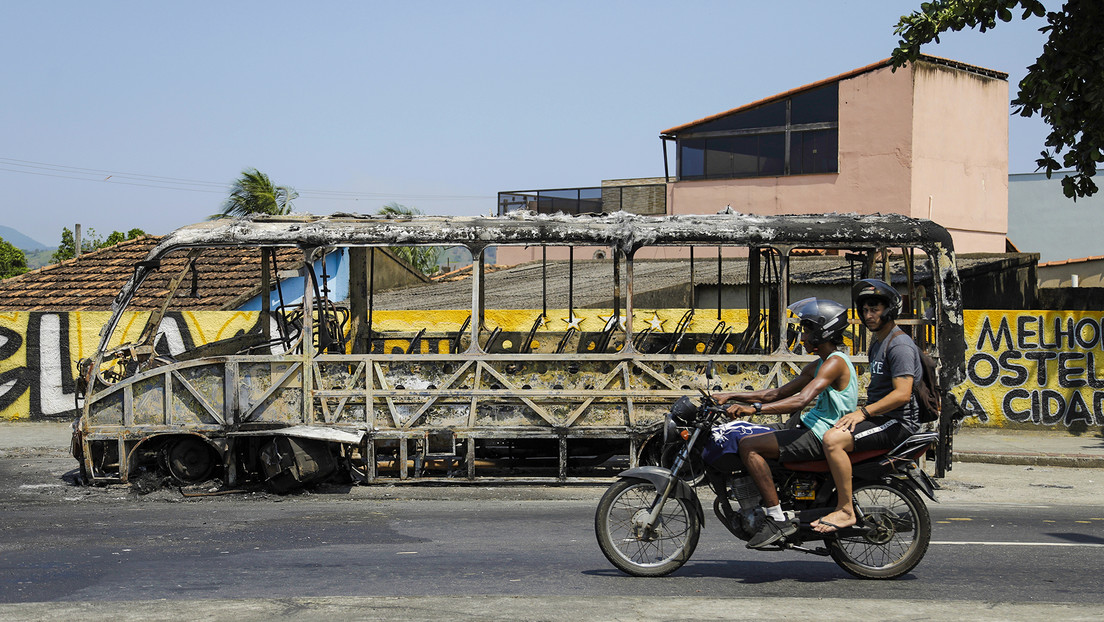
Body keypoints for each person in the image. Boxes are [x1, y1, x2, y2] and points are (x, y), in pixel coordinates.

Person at [711, 297, 857, 549]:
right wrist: (731, 395)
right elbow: (776, 394)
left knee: (749, 446)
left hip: (821, 433)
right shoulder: (820, 363)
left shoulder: (835, 363)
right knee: (749, 436)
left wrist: (751, 409)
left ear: (824, 331)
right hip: (806, 427)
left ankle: (776, 517)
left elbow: (800, 400)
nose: (803, 336)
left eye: (808, 329)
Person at [812, 278, 923, 534]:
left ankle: (846, 510)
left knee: (832, 440)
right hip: (881, 416)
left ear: (890, 309)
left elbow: (903, 394)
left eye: (875, 309)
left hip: (898, 421)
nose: (868, 315)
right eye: (864, 310)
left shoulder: (899, 345)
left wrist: (862, 413)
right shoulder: (878, 342)